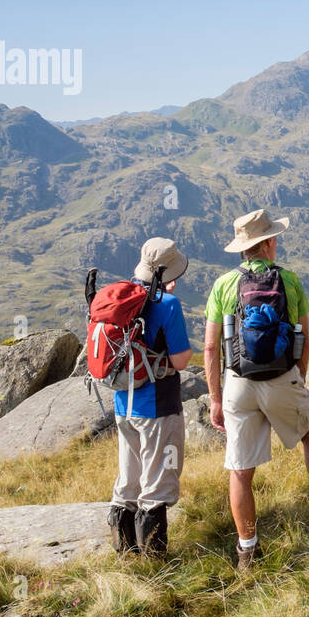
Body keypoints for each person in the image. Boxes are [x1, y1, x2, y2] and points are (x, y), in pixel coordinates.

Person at [203, 208, 309, 571]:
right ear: (269, 243)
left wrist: (216, 398)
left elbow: (211, 348)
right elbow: (303, 337)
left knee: (240, 470)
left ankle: (247, 550)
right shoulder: (289, 281)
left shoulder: (223, 285)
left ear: (243, 249)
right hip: (281, 378)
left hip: (238, 384)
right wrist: (297, 380)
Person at [109, 237, 194, 559]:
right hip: (157, 406)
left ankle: (125, 553)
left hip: (123, 405)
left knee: (129, 478)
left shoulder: (120, 299)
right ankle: (154, 561)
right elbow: (180, 361)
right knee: (158, 482)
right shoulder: (167, 305)